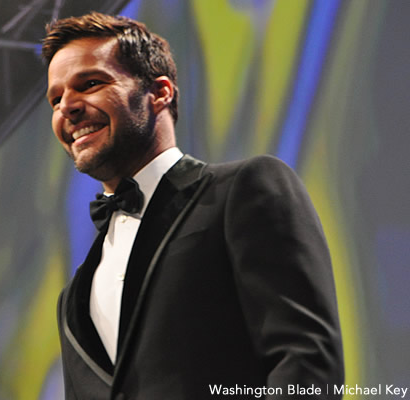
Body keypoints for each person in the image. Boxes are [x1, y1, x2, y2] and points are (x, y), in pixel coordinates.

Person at [42, 12, 344, 400]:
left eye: (90, 84)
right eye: (56, 99)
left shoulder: (243, 189)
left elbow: (306, 361)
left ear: (160, 92)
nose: (67, 107)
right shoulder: (72, 298)